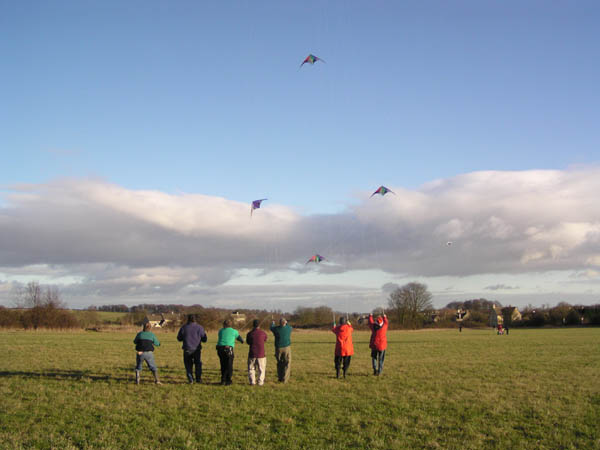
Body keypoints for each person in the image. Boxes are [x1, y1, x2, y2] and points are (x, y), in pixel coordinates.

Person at [177, 314, 208, 384]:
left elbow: (179, 338)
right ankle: (198, 379)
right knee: (198, 364)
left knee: (188, 365)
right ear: (195, 319)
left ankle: (190, 379)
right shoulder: (200, 328)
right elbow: (204, 339)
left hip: (187, 349)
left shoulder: (184, 327)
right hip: (196, 349)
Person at [216, 319, 244, 385]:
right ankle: (228, 380)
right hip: (228, 349)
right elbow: (240, 339)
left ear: (224, 325)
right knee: (229, 365)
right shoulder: (234, 331)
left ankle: (223, 380)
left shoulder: (220, 331)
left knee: (223, 364)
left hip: (220, 349)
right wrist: (242, 340)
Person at [270, 317, 292, 383]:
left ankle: (280, 378)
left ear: (279, 323)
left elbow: (271, 327)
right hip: (287, 348)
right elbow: (289, 326)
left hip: (278, 348)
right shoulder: (289, 328)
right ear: (285, 323)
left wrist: (273, 323)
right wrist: (286, 322)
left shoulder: (276, 329)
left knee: (279, 363)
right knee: (287, 363)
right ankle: (285, 379)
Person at [246, 319, 268, 386]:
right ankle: (260, 382)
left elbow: (248, 342)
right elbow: (265, 340)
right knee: (261, 369)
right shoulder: (263, 333)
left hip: (252, 354)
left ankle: (252, 382)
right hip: (261, 354)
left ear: (253, 325)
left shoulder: (249, 333)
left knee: (251, 368)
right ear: (259, 325)